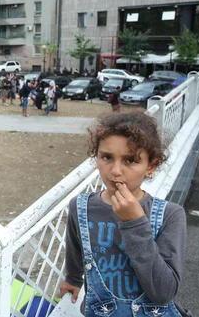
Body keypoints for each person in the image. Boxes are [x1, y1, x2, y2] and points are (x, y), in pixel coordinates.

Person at [60, 112, 192, 317]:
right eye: (106, 157)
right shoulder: (80, 207)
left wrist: (136, 223)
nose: (115, 171)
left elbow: (164, 292)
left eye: (130, 160)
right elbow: (76, 248)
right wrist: (73, 279)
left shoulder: (170, 215)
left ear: (151, 166)